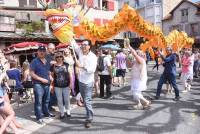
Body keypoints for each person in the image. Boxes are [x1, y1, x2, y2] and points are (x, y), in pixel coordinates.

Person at [73, 39, 97, 128]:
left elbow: (92, 70)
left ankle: (89, 119)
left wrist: (81, 66)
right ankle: (88, 113)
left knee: (87, 100)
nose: (82, 46)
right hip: (81, 80)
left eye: (85, 44)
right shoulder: (80, 52)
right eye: (82, 44)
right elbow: (74, 45)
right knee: (84, 100)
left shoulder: (93, 57)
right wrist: (69, 35)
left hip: (88, 82)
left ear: (89, 46)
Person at [30, 46, 55, 125]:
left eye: (43, 51)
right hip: (38, 84)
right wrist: (41, 79)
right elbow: (31, 73)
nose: (42, 52)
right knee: (39, 102)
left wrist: (50, 76)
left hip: (47, 84)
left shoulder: (47, 61)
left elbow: (47, 71)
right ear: (37, 52)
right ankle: (39, 117)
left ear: (45, 52)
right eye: (40, 51)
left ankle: (46, 113)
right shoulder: (34, 61)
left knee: (46, 100)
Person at [127, 45, 151, 110]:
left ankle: (146, 102)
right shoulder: (135, 61)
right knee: (136, 92)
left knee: (136, 92)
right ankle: (139, 104)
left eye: (137, 53)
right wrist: (127, 57)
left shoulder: (141, 60)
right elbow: (129, 65)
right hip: (135, 79)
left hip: (139, 79)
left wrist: (129, 47)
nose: (135, 54)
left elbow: (135, 55)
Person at [51, 52, 72, 119]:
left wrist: (71, 84)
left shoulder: (66, 65)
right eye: (57, 57)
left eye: (60, 56)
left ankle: (68, 110)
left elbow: (70, 75)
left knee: (66, 99)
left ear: (62, 57)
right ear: (55, 58)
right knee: (59, 100)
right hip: (57, 86)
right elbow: (51, 75)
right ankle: (62, 112)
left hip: (66, 85)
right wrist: (51, 83)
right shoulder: (53, 66)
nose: (59, 58)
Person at [46, 43, 57, 111]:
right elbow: (45, 67)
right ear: (48, 48)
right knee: (50, 91)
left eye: (54, 48)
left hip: (54, 75)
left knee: (53, 91)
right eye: (51, 48)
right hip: (49, 75)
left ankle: (50, 105)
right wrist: (49, 75)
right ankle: (48, 106)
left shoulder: (54, 55)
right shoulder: (46, 56)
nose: (53, 50)